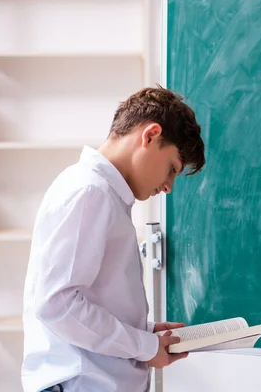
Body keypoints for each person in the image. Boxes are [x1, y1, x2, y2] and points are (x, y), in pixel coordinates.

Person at [21, 85, 206, 392]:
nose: (169, 186)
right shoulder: (90, 192)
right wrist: (144, 346)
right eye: (171, 168)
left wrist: (145, 334)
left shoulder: (101, 193)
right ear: (150, 135)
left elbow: (87, 303)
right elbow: (57, 305)